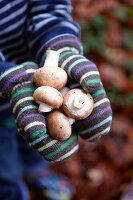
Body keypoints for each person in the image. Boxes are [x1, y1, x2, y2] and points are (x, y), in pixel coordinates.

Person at [0, 0, 112, 200]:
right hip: (6, 101)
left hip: (33, 93)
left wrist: (61, 47)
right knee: (4, 167)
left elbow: (51, 6)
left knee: (37, 138)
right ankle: (13, 193)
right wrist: (4, 76)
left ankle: (36, 171)